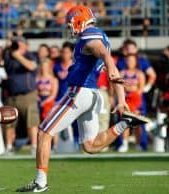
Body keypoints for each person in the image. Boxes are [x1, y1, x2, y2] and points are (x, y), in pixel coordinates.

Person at [16, 5, 149, 192]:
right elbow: (109, 60)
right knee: (90, 146)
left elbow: (103, 53)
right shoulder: (99, 36)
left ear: (79, 20)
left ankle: (40, 182)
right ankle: (125, 123)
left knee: (44, 133)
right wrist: (121, 100)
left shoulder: (90, 34)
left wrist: (110, 71)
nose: (70, 27)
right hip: (93, 94)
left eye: (71, 23)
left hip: (80, 91)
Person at [4, 37, 40, 155]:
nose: (17, 47)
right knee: (10, 122)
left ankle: (34, 146)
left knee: (32, 122)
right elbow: (1, 63)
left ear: (26, 46)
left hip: (28, 95)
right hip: (12, 95)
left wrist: (17, 55)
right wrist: (8, 49)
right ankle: (9, 147)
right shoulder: (9, 56)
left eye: (19, 44)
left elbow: (31, 66)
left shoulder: (31, 55)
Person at [118, 54, 145, 152]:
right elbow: (119, 86)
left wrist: (131, 91)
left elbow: (140, 89)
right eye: (128, 60)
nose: (130, 62)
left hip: (136, 100)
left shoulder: (139, 74)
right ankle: (124, 144)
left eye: (132, 60)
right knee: (125, 122)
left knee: (137, 123)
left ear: (136, 62)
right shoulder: (122, 73)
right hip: (125, 100)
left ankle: (138, 144)